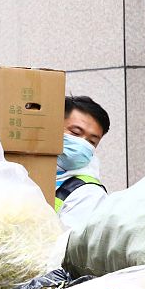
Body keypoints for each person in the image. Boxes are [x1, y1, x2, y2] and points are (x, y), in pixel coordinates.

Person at [55, 94, 110, 228]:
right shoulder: (26, 170)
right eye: (75, 133)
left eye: (92, 141)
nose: (82, 144)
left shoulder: (89, 194)